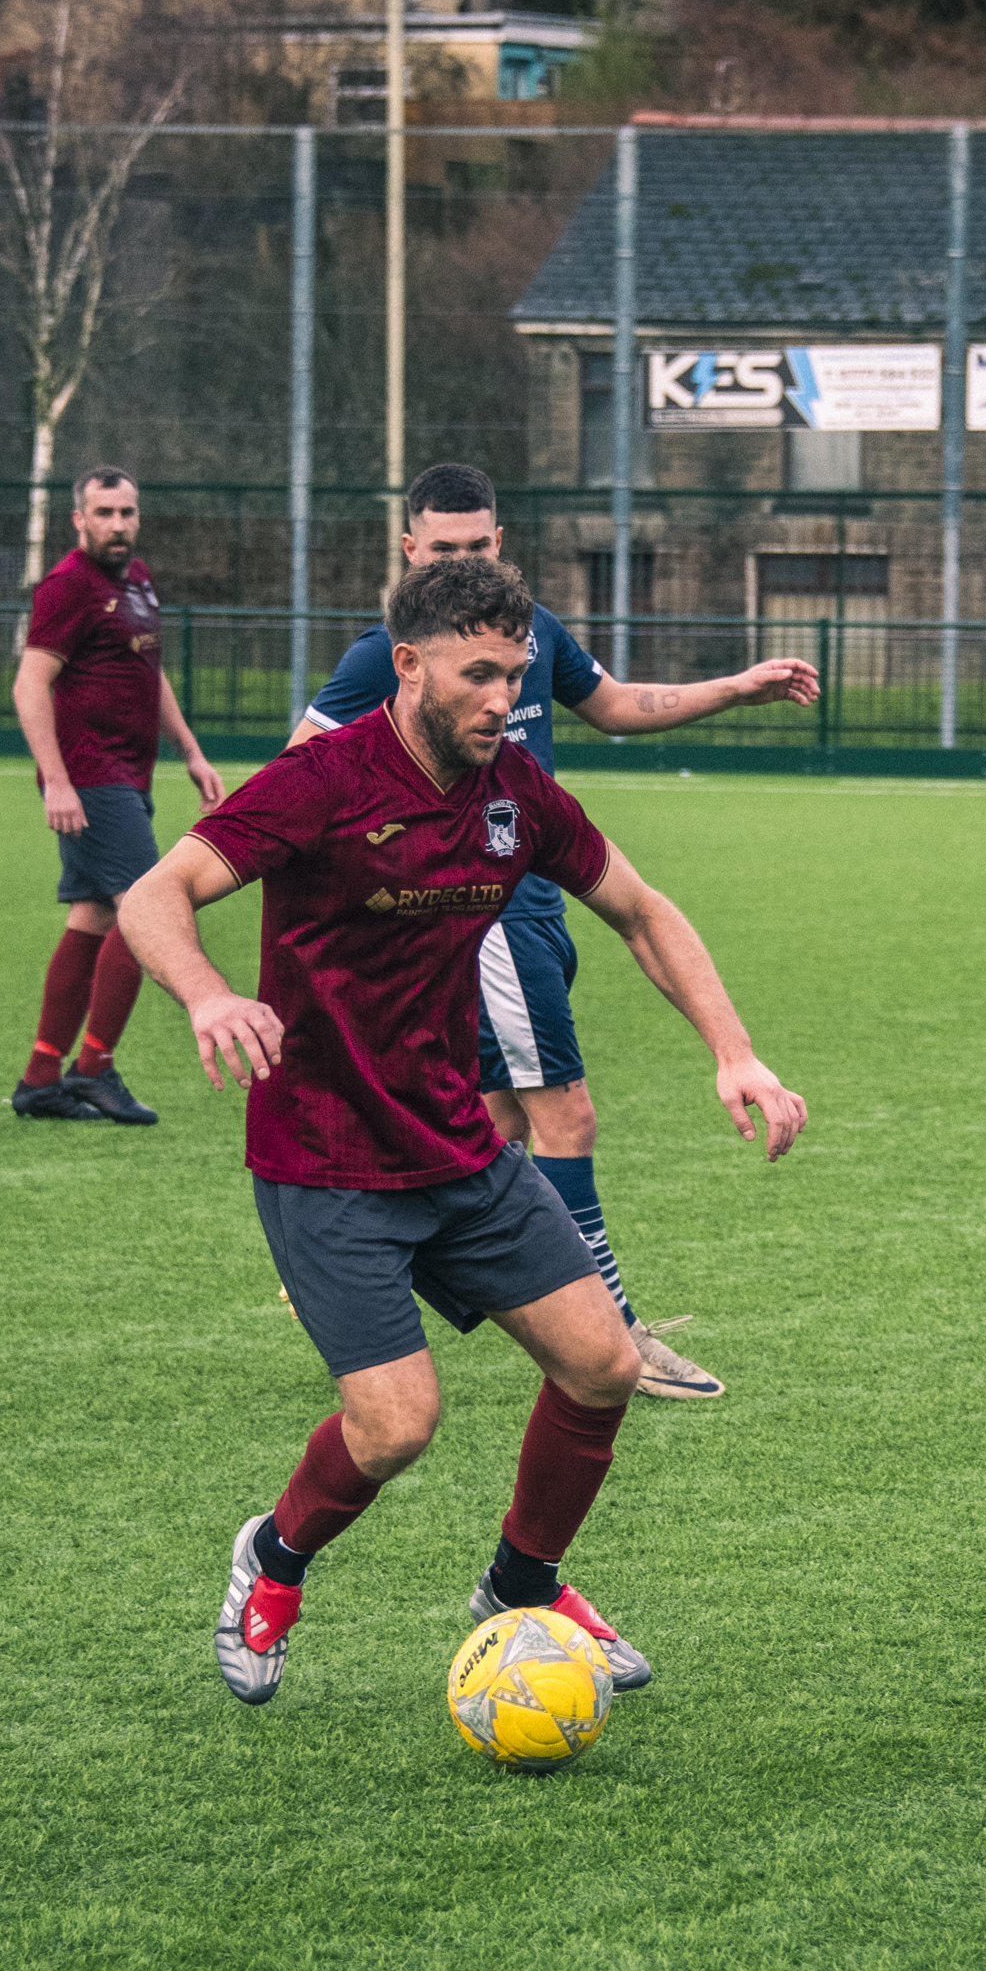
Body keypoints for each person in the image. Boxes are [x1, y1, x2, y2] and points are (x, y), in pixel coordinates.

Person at [118, 554, 807, 1708]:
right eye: (477, 674)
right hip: (326, 1160)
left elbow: (640, 909)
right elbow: (155, 894)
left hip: (460, 1150)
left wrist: (734, 1050)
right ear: (408, 665)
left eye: (515, 671)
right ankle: (272, 1560)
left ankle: (520, 1586)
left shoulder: (515, 794)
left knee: (602, 1364)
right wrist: (206, 995)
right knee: (396, 1428)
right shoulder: (322, 779)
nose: (502, 697)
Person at [289, 461, 818, 1400]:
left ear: (500, 545)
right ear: (410, 554)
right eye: (440, 550)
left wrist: (733, 689)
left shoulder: (535, 637)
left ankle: (347, 1260)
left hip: (536, 892)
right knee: (561, 1111)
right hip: (480, 913)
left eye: (475, 546)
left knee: (484, 1115)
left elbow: (612, 707)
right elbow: (301, 777)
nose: (458, 562)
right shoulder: (386, 657)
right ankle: (613, 1332)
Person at [10, 467, 224, 1125]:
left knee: (94, 920)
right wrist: (57, 781)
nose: (118, 524)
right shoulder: (68, 587)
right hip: (92, 781)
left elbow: (148, 672)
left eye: (127, 512)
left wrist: (189, 749)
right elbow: (29, 685)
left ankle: (41, 1079)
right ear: (78, 519)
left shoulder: (137, 582)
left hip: (128, 776)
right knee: (146, 914)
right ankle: (94, 1069)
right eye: (103, 512)